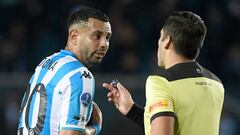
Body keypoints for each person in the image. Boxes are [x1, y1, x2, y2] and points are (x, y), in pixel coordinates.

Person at [103, 11, 224, 135]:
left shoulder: (161, 82)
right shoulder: (216, 83)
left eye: (160, 37)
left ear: (167, 40)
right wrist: (132, 110)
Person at [17, 7, 112, 135]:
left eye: (107, 37)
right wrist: (95, 128)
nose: (104, 44)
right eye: (97, 36)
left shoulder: (46, 62)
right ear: (74, 36)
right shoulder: (80, 75)